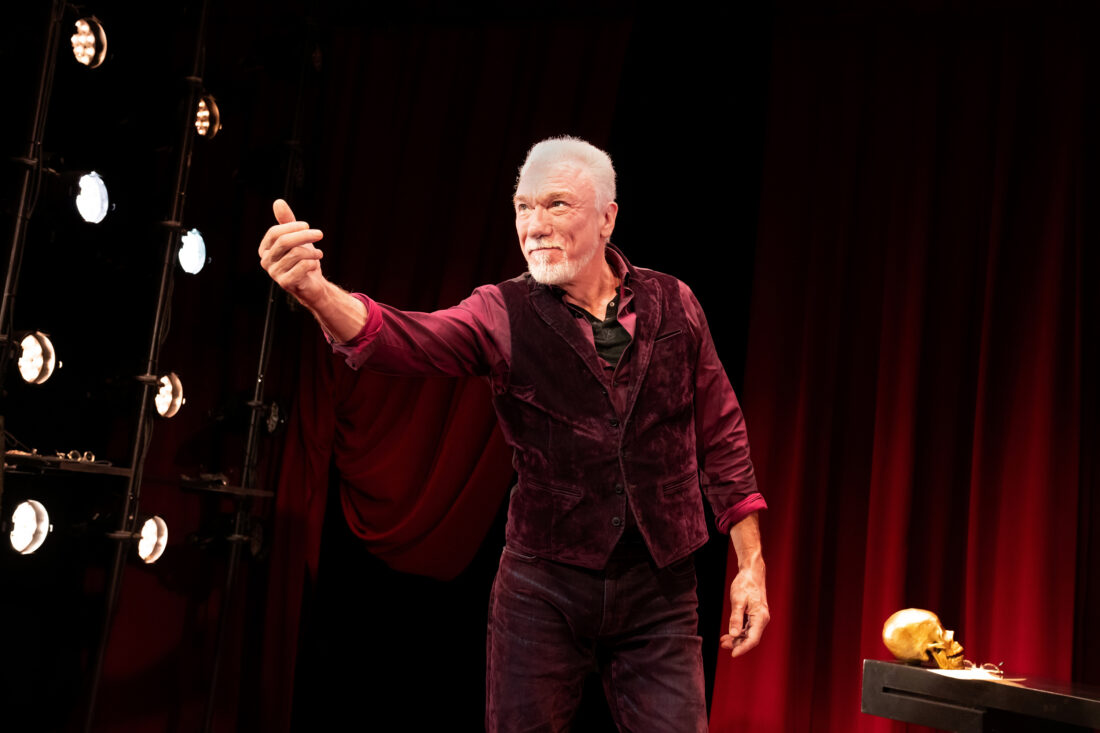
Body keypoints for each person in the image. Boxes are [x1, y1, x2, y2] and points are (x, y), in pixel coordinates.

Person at [258, 136, 769, 732]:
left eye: (556, 205)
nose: (534, 226)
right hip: (544, 588)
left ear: (607, 218)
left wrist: (751, 565)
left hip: (659, 588)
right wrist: (317, 293)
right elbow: (404, 338)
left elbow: (722, 434)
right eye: (523, 207)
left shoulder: (675, 303)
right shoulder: (501, 311)